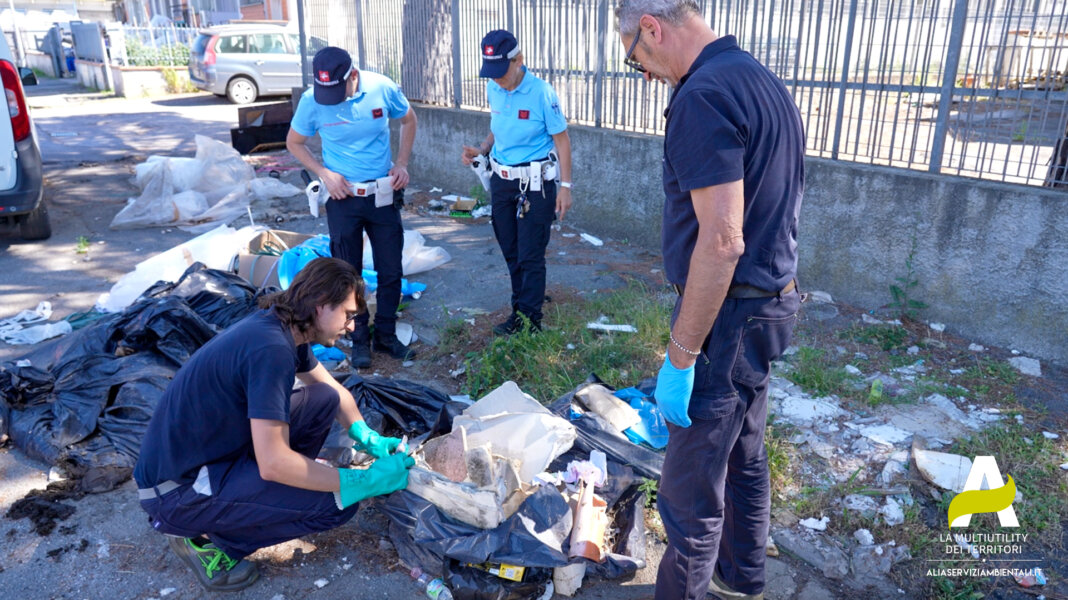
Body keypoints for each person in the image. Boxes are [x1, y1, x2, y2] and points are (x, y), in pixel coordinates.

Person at [615, 2, 805, 599]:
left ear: (652, 27)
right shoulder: (757, 77)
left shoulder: (702, 95)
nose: (643, 74)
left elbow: (721, 242)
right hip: (772, 303)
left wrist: (679, 353)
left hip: (730, 317)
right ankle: (742, 578)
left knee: (689, 486)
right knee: (744, 453)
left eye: (635, 59)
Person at [133, 257, 415, 592]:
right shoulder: (271, 349)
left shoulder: (281, 327)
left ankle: (266, 495)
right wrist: (361, 480)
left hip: (210, 460)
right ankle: (213, 544)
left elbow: (336, 393)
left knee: (321, 398)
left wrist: (366, 436)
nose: (353, 326)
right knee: (338, 504)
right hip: (176, 492)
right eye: (349, 315)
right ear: (321, 305)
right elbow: (274, 463)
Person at [287, 46, 418, 368]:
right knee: (348, 275)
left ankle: (385, 336)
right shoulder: (311, 101)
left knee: (390, 270)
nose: (328, 96)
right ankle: (359, 339)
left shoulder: (381, 88)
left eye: (336, 88)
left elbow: (409, 120)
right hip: (342, 199)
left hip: (382, 194)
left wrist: (401, 163)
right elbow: (294, 142)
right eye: (323, 89)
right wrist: (324, 173)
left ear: (353, 77)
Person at [460, 29, 573, 335]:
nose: (496, 79)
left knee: (530, 254)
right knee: (510, 249)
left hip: (535, 185)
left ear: (518, 60)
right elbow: (498, 125)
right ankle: (520, 307)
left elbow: (562, 141)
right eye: (491, 72)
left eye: (500, 71)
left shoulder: (542, 93)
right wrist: (482, 149)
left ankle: (529, 320)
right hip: (502, 182)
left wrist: (566, 187)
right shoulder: (493, 88)